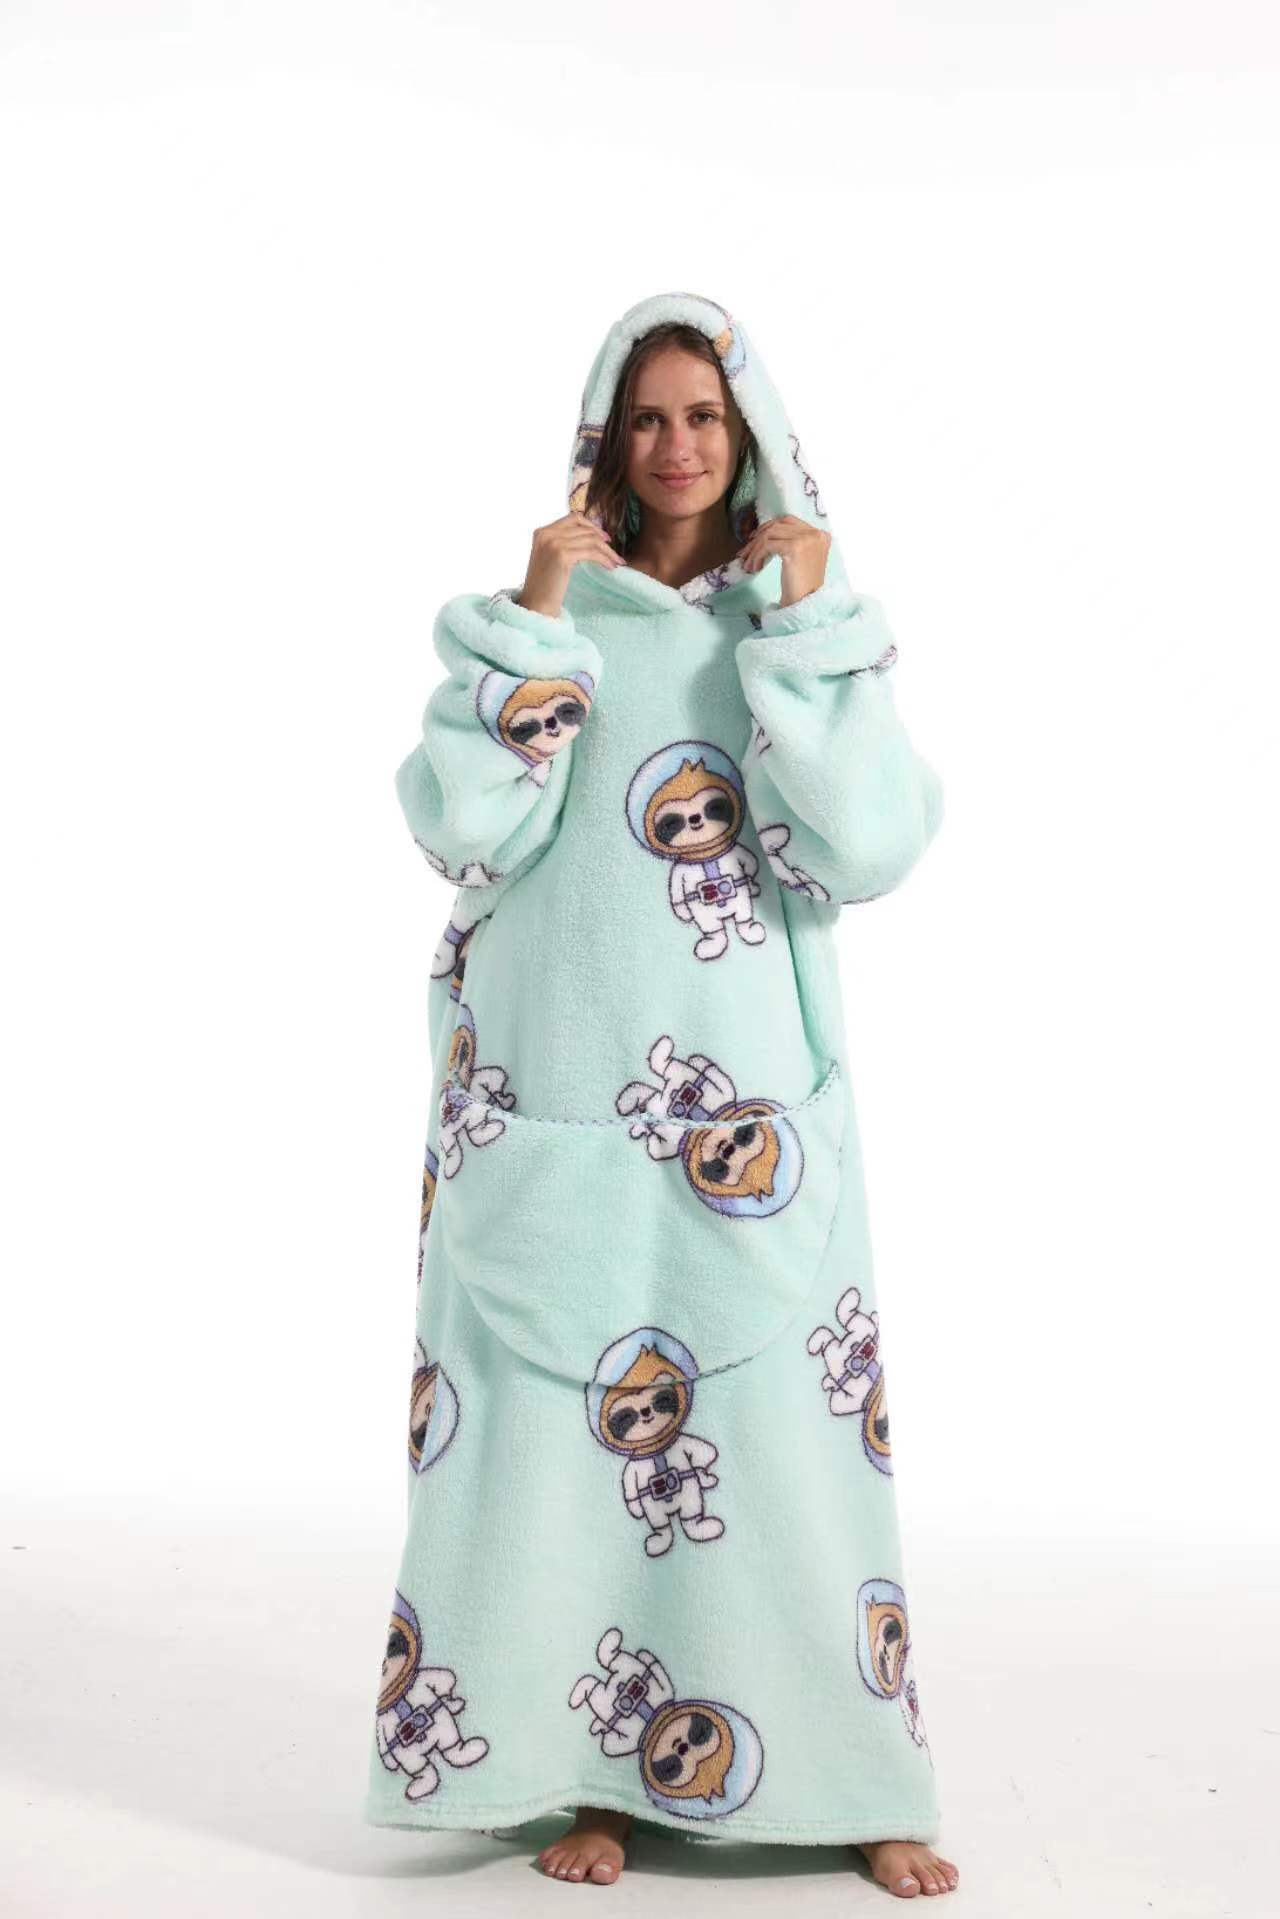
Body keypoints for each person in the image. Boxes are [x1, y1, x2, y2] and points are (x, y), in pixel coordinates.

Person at [364, 290, 959, 1900]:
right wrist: (538, 617)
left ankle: (856, 1777)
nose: (678, 445)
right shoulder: (546, 624)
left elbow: (869, 846)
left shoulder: (802, 629)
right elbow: (458, 830)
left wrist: (807, 636)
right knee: (550, 1447)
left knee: (782, 1447)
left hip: (744, 1109)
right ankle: (584, 1779)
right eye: (648, 417)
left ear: (748, 435)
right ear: (606, 438)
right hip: (550, 1083)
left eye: (704, 415)